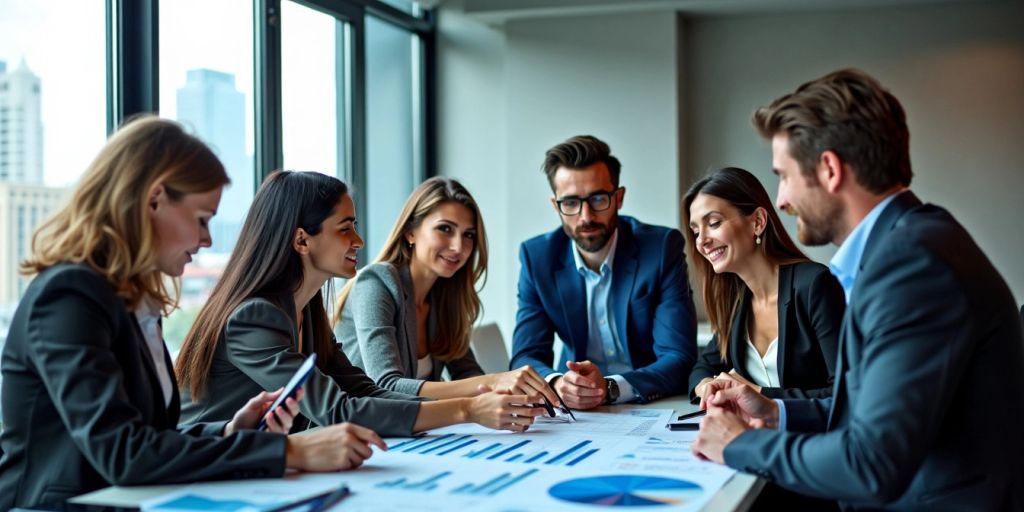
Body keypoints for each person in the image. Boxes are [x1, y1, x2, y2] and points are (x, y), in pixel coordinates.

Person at [0, 117, 383, 510]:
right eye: (202, 219)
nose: (208, 239)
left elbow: (150, 436)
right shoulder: (69, 296)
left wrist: (231, 430)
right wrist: (291, 453)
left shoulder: (133, 302)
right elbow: (123, 453)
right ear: (154, 200)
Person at [692, 69, 1024, 510]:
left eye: (785, 176)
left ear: (829, 169)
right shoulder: (912, 242)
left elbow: (871, 464)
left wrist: (737, 446)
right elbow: (872, 413)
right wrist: (774, 411)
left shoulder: (912, 266)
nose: (783, 200)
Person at [177, 171, 546, 437]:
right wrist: (466, 409)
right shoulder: (254, 318)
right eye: (345, 227)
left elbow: (366, 390)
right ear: (302, 240)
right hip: (198, 475)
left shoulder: (308, 311)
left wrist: (476, 405)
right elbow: (336, 410)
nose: (358, 239)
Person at [510, 135, 698, 410]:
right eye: (571, 203)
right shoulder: (537, 258)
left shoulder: (660, 249)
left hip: (648, 402)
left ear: (619, 198)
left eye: (598, 199)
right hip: (577, 411)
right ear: (556, 206)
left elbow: (679, 357)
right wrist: (555, 383)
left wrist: (610, 387)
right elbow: (525, 357)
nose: (586, 216)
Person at [335, 177, 561, 406]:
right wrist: (494, 380)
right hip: (354, 432)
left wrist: (506, 394)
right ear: (410, 232)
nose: (458, 247)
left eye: (468, 235)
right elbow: (385, 386)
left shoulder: (443, 297)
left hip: (410, 433)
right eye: (445, 229)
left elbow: (467, 373)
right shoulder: (376, 282)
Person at [684, 167, 844, 404]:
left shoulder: (814, 286)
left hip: (811, 438)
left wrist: (757, 394)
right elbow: (703, 367)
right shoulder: (736, 300)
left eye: (714, 223)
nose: (702, 241)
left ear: (757, 222)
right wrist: (706, 386)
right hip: (754, 436)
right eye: (696, 231)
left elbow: (843, 395)